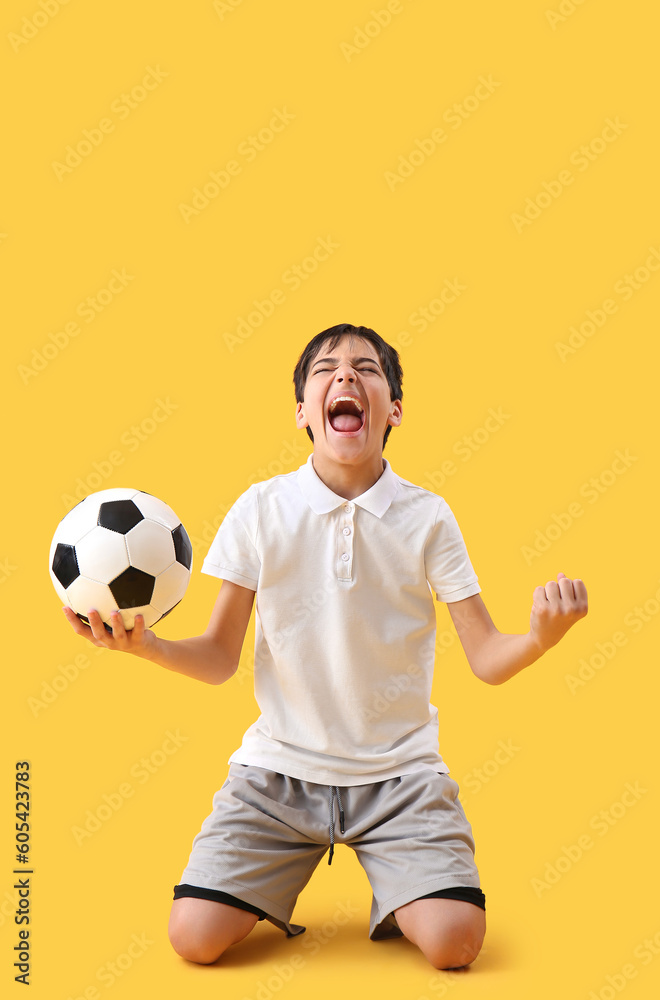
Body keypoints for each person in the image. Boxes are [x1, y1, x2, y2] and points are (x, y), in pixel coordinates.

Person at [63, 323, 588, 970]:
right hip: (276, 778)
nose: (345, 377)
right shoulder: (259, 509)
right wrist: (147, 646)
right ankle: (313, 876)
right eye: (326, 370)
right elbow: (219, 657)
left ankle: (402, 886)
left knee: (454, 944)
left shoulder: (427, 517)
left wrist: (539, 637)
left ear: (392, 408)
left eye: (367, 369)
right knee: (193, 937)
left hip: (401, 779)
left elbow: (485, 658)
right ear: (302, 413)